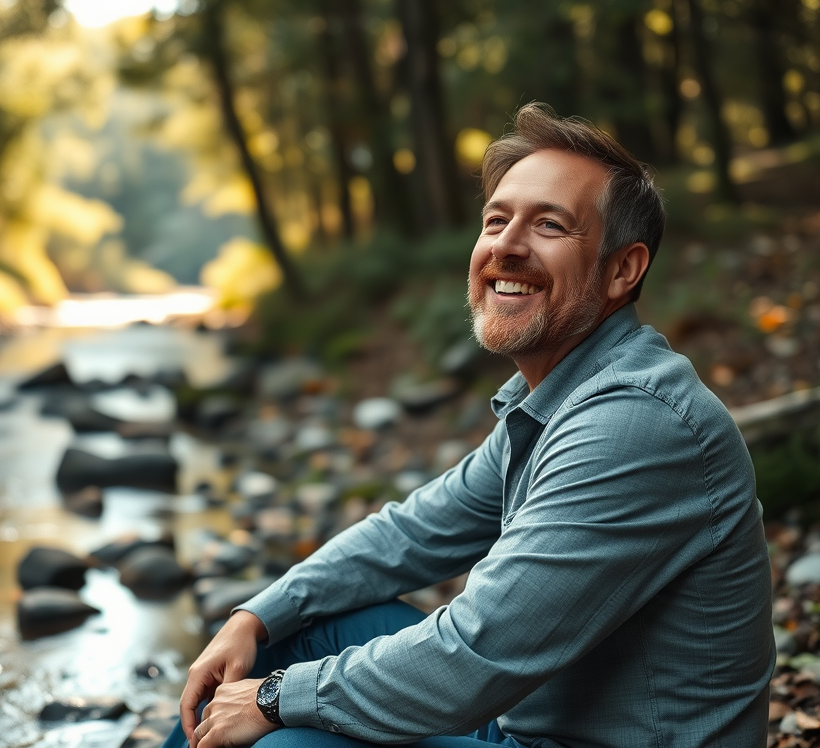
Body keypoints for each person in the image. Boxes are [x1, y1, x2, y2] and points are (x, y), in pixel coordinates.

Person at [164, 102, 775, 748]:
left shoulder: (633, 425)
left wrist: (273, 698)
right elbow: (409, 535)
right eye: (496, 220)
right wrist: (254, 614)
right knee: (295, 630)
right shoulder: (555, 401)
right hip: (527, 726)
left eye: (549, 225)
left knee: (287, 739)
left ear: (623, 270)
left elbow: (471, 656)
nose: (507, 245)